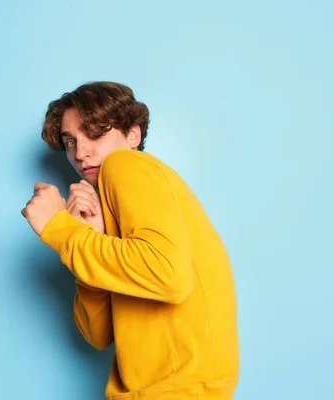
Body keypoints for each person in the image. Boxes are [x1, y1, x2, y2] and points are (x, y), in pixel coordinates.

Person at [21, 81, 239, 399]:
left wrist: (59, 229)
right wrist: (89, 236)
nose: (80, 153)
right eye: (70, 142)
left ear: (132, 135)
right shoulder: (125, 212)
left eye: (94, 133)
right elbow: (98, 335)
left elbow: (170, 276)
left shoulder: (125, 164)